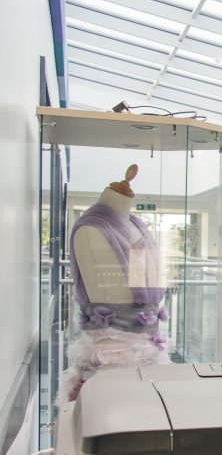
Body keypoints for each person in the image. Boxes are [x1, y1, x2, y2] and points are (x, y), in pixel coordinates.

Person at [59, 164, 171, 405]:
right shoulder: (90, 229)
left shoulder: (137, 226)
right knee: (114, 414)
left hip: (147, 346)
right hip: (112, 350)